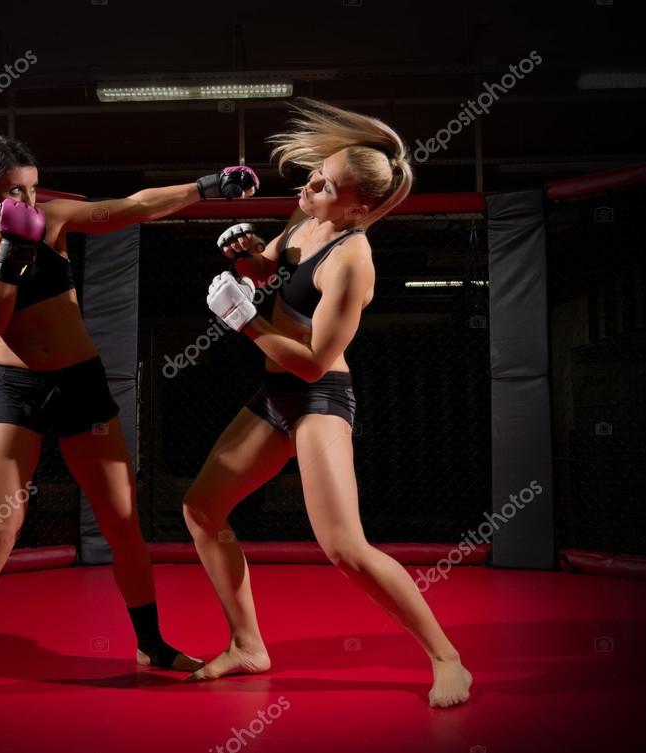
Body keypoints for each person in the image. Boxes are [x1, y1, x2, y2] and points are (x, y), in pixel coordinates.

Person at [0, 132, 259, 712]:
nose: (28, 200)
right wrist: (10, 259)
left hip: (81, 386)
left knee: (123, 521)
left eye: (32, 187)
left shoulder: (49, 220)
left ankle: (151, 646)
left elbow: (128, 208)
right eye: (13, 191)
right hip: (16, 393)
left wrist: (205, 188)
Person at [185, 99, 473, 708]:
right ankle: (247, 645)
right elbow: (272, 270)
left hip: (317, 396)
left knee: (344, 545)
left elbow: (315, 360)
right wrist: (246, 255)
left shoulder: (352, 259)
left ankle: (448, 659)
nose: (311, 183)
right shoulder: (306, 216)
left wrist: (247, 326)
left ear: (358, 208)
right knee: (202, 510)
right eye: (318, 173)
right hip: (273, 394)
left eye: (327, 184)